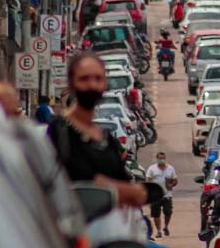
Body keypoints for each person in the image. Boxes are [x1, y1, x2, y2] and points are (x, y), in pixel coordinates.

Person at [47, 53, 147, 207]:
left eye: (98, 78)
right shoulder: (59, 131)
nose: (92, 85)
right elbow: (77, 181)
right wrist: (129, 191)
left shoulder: (107, 140)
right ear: (71, 82)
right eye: (84, 78)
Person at [146, 152, 178, 238]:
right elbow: (148, 180)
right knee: (156, 214)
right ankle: (159, 231)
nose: (161, 160)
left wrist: (172, 184)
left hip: (167, 195)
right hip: (155, 196)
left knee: (168, 212)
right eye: (160, 158)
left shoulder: (170, 169)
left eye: (163, 158)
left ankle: (166, 226)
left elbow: (175, 180)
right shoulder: (152, 169)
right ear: (157, 159)